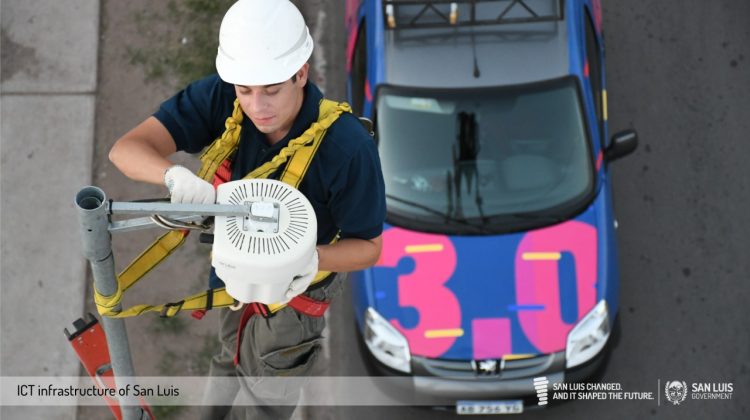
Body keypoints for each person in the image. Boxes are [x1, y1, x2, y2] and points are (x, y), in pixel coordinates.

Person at [108, 0, 386, 418]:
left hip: (291, 305)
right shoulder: (225, 99)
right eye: (246, 90)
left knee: (265, 403)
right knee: (226, 363)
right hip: (233, 282)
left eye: (272, 90)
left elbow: (369, 247)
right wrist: (173, 177)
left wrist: (310, 261)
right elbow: (126, 150)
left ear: (301, 72)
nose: (257, 106)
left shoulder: (347, 150)